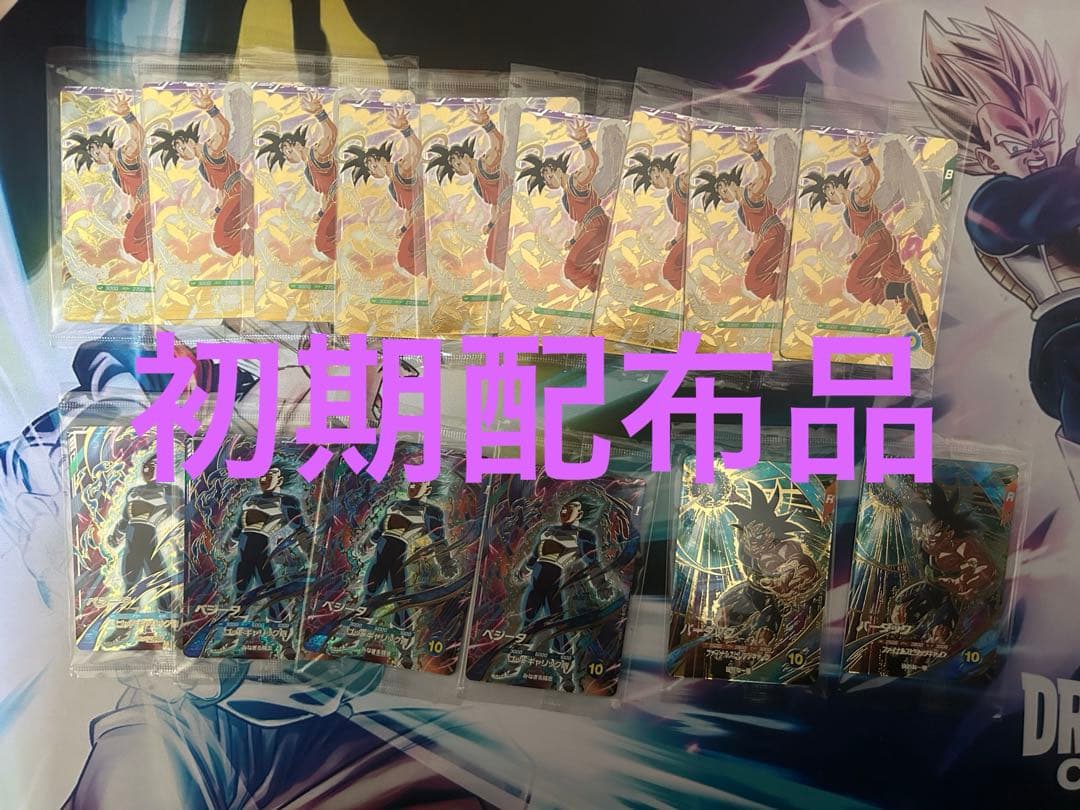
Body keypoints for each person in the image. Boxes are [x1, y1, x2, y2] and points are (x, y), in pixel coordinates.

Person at [516, 119, 611, 291]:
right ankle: (600, 284)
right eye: (546, 180)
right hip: (593, 228)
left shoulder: (576, 182)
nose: (548, 181)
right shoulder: (566, 196)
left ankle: (600, 281)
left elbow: (592, 165)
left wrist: (584, 141)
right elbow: (580, 222)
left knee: (571, 269)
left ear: (559, 171)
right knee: (575, 269)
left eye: (549, 176)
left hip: (598, 227)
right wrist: (574, 240)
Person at [64, 93, 151, 263]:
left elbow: (138, 137)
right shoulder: (116, 171)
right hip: (142, 205)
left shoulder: (124, 156)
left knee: (131, 243)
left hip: (150, 202)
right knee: (134, 243)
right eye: (93, 156)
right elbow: (133, 195)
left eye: (96, 151)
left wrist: (127, 114)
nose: (96, 157)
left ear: (104, 146)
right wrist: (129, 214)